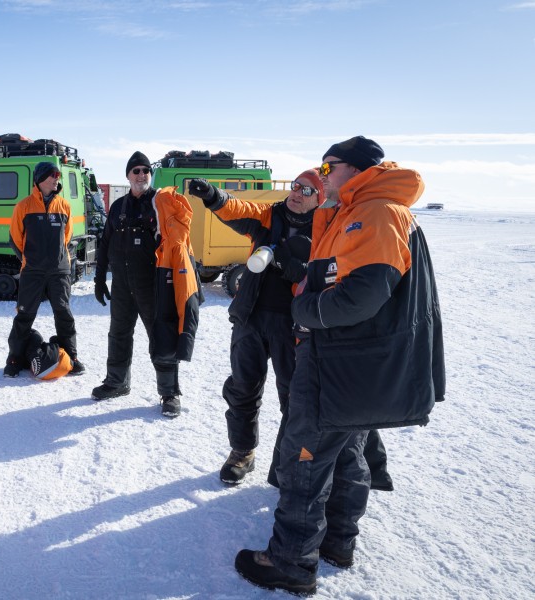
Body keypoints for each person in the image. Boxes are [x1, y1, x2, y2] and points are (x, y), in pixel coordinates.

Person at [233, 136, 445, 595]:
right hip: (352, 364)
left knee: (304, 459)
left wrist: (304, 310)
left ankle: (290, 562)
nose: (321, 175)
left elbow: (362, 295)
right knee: (348, 452)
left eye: (328, 168)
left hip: (338, 361)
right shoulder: (359, 210)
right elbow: (337, 274)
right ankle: (337, 542)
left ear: (356, 169)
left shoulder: (376, 212)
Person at [188, 169, 323, 485]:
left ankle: (287, 462)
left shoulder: (325, 228)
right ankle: (242, 453)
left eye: (306, 190)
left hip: (295, 326)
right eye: (296, 186)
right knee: (243, 388)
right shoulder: (269, 216)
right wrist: (213, 196)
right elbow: (238, 209)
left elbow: (325, 273)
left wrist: (291, 266)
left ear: (319, 197)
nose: (297, 193)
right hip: (251, 318)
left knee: (295, 397)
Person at [92, 152, 202, 417]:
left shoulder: (160, 203)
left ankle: (169, 393)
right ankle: (117, 382)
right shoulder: (118, 206)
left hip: (153, 284)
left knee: (161, 335)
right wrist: (99, 278)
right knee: (118, 334)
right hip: (121, 283)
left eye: (145, 171)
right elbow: (105, 243)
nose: (141, 175)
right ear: (128, 176)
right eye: (136, 171)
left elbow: (180, 230)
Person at [3, 161, 85, 378]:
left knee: (64, 313)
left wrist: (58, 259)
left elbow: (67, 237)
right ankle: (14, 359)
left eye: (58, 175)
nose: (57, 178)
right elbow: (15, 238)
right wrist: (30, 260)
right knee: (25, 314)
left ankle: (71, 357)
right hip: (33, 271)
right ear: (40, 178)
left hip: (59, 271)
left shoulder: (64, 206)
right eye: (52, 175)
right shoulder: (24, 206)